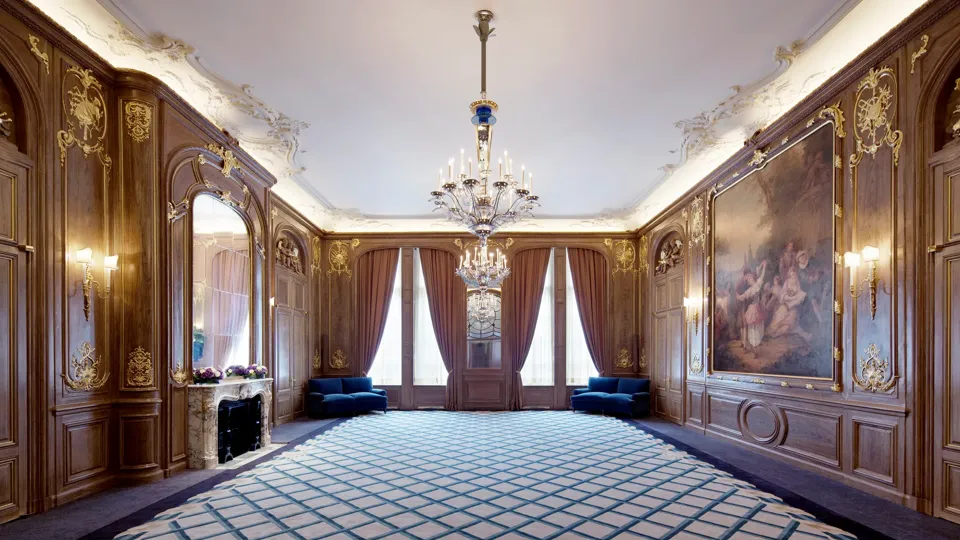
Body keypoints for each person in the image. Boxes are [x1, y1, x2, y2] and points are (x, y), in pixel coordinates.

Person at [736, 260, 767, 352]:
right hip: (752, 310)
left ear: (752, 279)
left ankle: (756, 345)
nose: (749, 281)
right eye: (748, 280)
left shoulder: (758, 284)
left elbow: (762, 275)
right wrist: (738, 296)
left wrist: (764, 266)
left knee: (758, 328)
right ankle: (754, 347)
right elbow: (742, 297)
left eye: (750, 279)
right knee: (752, 328)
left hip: (758, 308)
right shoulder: (749, 290)